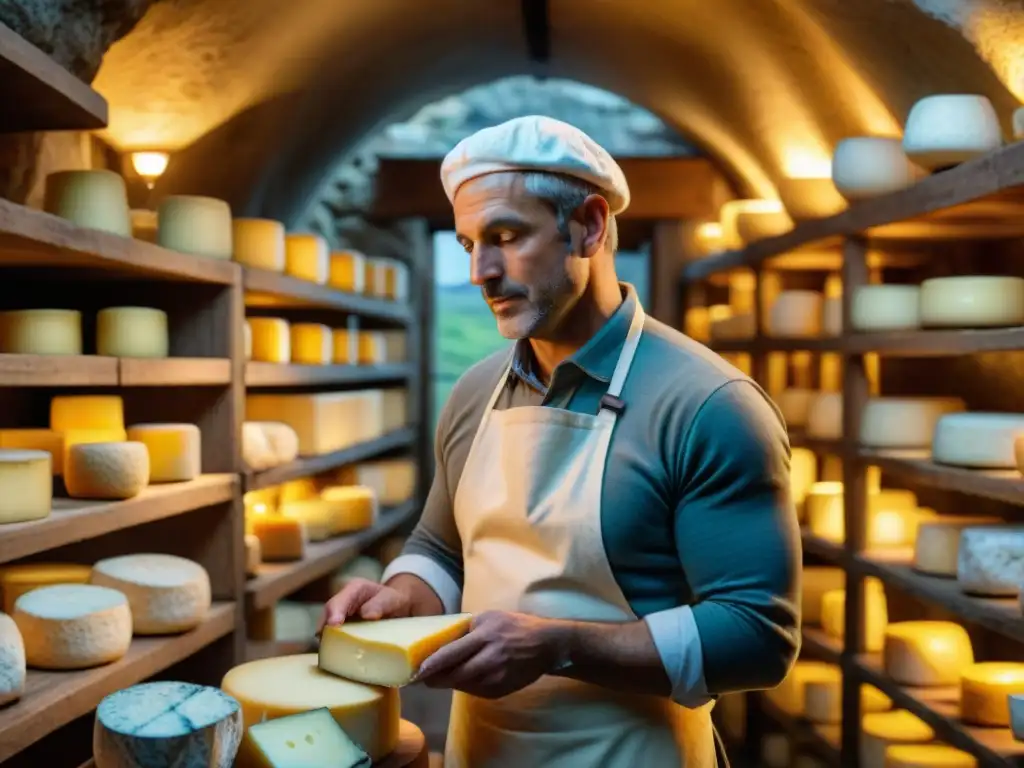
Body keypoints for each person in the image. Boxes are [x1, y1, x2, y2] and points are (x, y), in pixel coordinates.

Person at [320, 115, 801, 767]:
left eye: (506, 236)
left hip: (634, 751)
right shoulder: (474, 392)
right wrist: (399, 597)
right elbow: (443, 548)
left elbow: (757, 636)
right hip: (481, 750)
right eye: (467, 244)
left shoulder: (708, 406)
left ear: (591, 226)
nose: (481, 272)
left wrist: (557, 645)